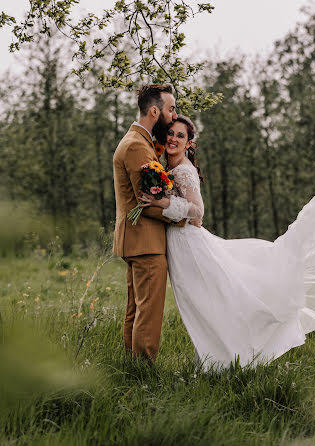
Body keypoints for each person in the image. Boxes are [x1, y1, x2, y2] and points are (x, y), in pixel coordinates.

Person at [139, 115, 315, 371]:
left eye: (180, 135)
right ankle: (216, 360)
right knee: (204, 304)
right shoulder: (170, 168)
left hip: (189, 246)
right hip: (182, 245)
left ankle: (226, 360)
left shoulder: (183, 171)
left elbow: (198, 212)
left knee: (212, 302)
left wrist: (162, 202)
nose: (173, 139)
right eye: (171, 134)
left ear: (190, 143)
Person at [112, 85, 199, 363]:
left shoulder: (140, 141)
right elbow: (146, 203)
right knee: (147, 313)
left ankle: (131, 366)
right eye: (170, 109)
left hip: (137, 240)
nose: (173, 115)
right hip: (145, 241)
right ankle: (143, 369)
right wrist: (183, 214)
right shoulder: (137, 145)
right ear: (154, 110)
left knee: (136, 310)